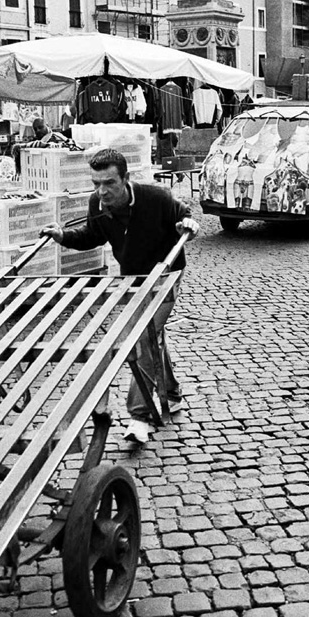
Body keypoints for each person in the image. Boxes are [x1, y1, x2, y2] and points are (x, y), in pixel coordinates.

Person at [41, 148, 199, 445]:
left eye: (109, 183)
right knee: (152, 337)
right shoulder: (97, 204)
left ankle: (139, 417)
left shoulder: (156, 198)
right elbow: (93, 235)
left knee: (142, 336)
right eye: (96, 183)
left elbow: (185, 216)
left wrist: (186, 226)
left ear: (126, 179)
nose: (102, 191)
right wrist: (64, 237)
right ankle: (173, 392)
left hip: (164, 277)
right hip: (132, 278)